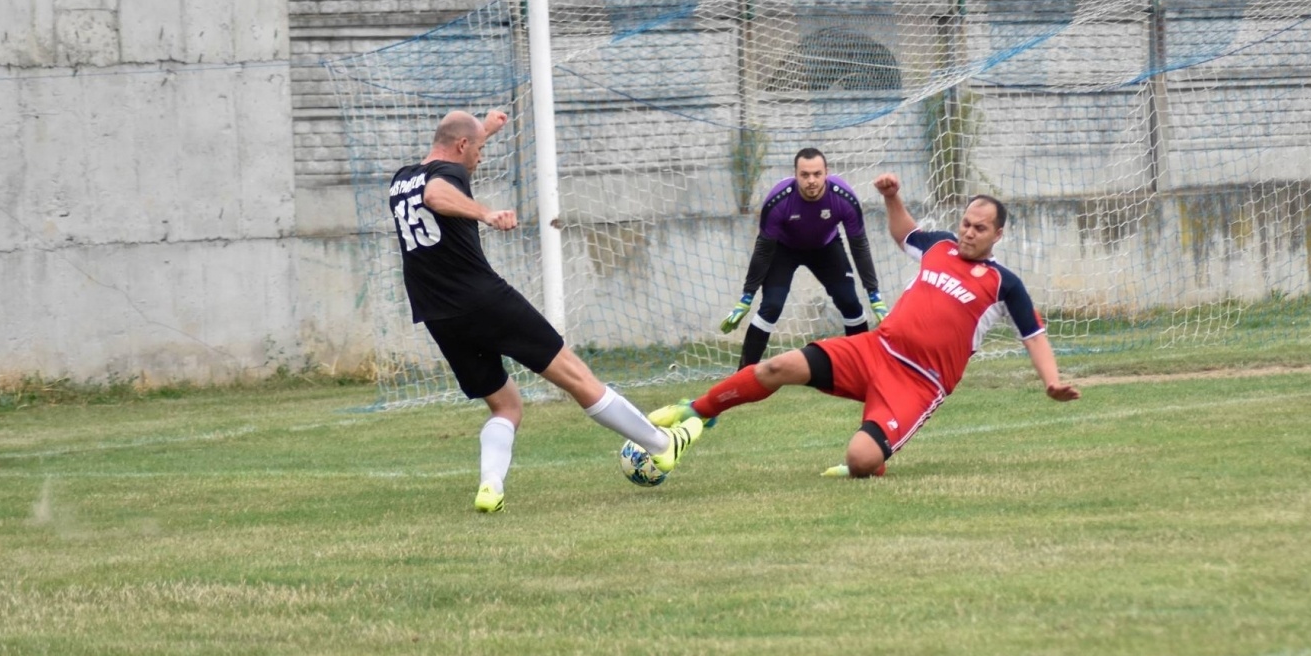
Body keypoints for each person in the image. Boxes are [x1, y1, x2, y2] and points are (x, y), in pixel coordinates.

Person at [655, 174, 1080, 476]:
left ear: (998, 234)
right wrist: (893, 198)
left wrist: (1051, 381)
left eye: (979, 228)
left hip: (918, 383)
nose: (968, 233)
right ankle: (696, 412)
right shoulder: (940, 247)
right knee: (776, 367)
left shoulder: (1005, 284)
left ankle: (873, 456)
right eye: (966, 223)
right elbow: (904, 234)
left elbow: (1034, 336)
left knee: (859, 460)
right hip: (875, 349)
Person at [388, 110, 705, 511]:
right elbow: (436, 194)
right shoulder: (447, 179)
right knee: (578, 378)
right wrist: (486, 213)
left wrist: (486, 128)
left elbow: (442, 166)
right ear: (462, 147)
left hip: (439, 316)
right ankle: (662, 445)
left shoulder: (401, 179)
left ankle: (491, 486)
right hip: (484, 300)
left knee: (506, 406)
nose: (481, 158)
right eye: (479, 150)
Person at [719, 148, 889, 368]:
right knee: (771, 306)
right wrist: (747, 297)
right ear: (795, 174)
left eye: (817, 174)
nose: (811, 180)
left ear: (826, 172)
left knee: (850, 303)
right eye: (805, 175)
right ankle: (742, 377)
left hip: (826, 247)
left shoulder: (843, 198)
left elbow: (859, 246)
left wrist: (874, 294)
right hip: (784, 250)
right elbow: (763, 249)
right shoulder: (778, 200)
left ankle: (860, 369)